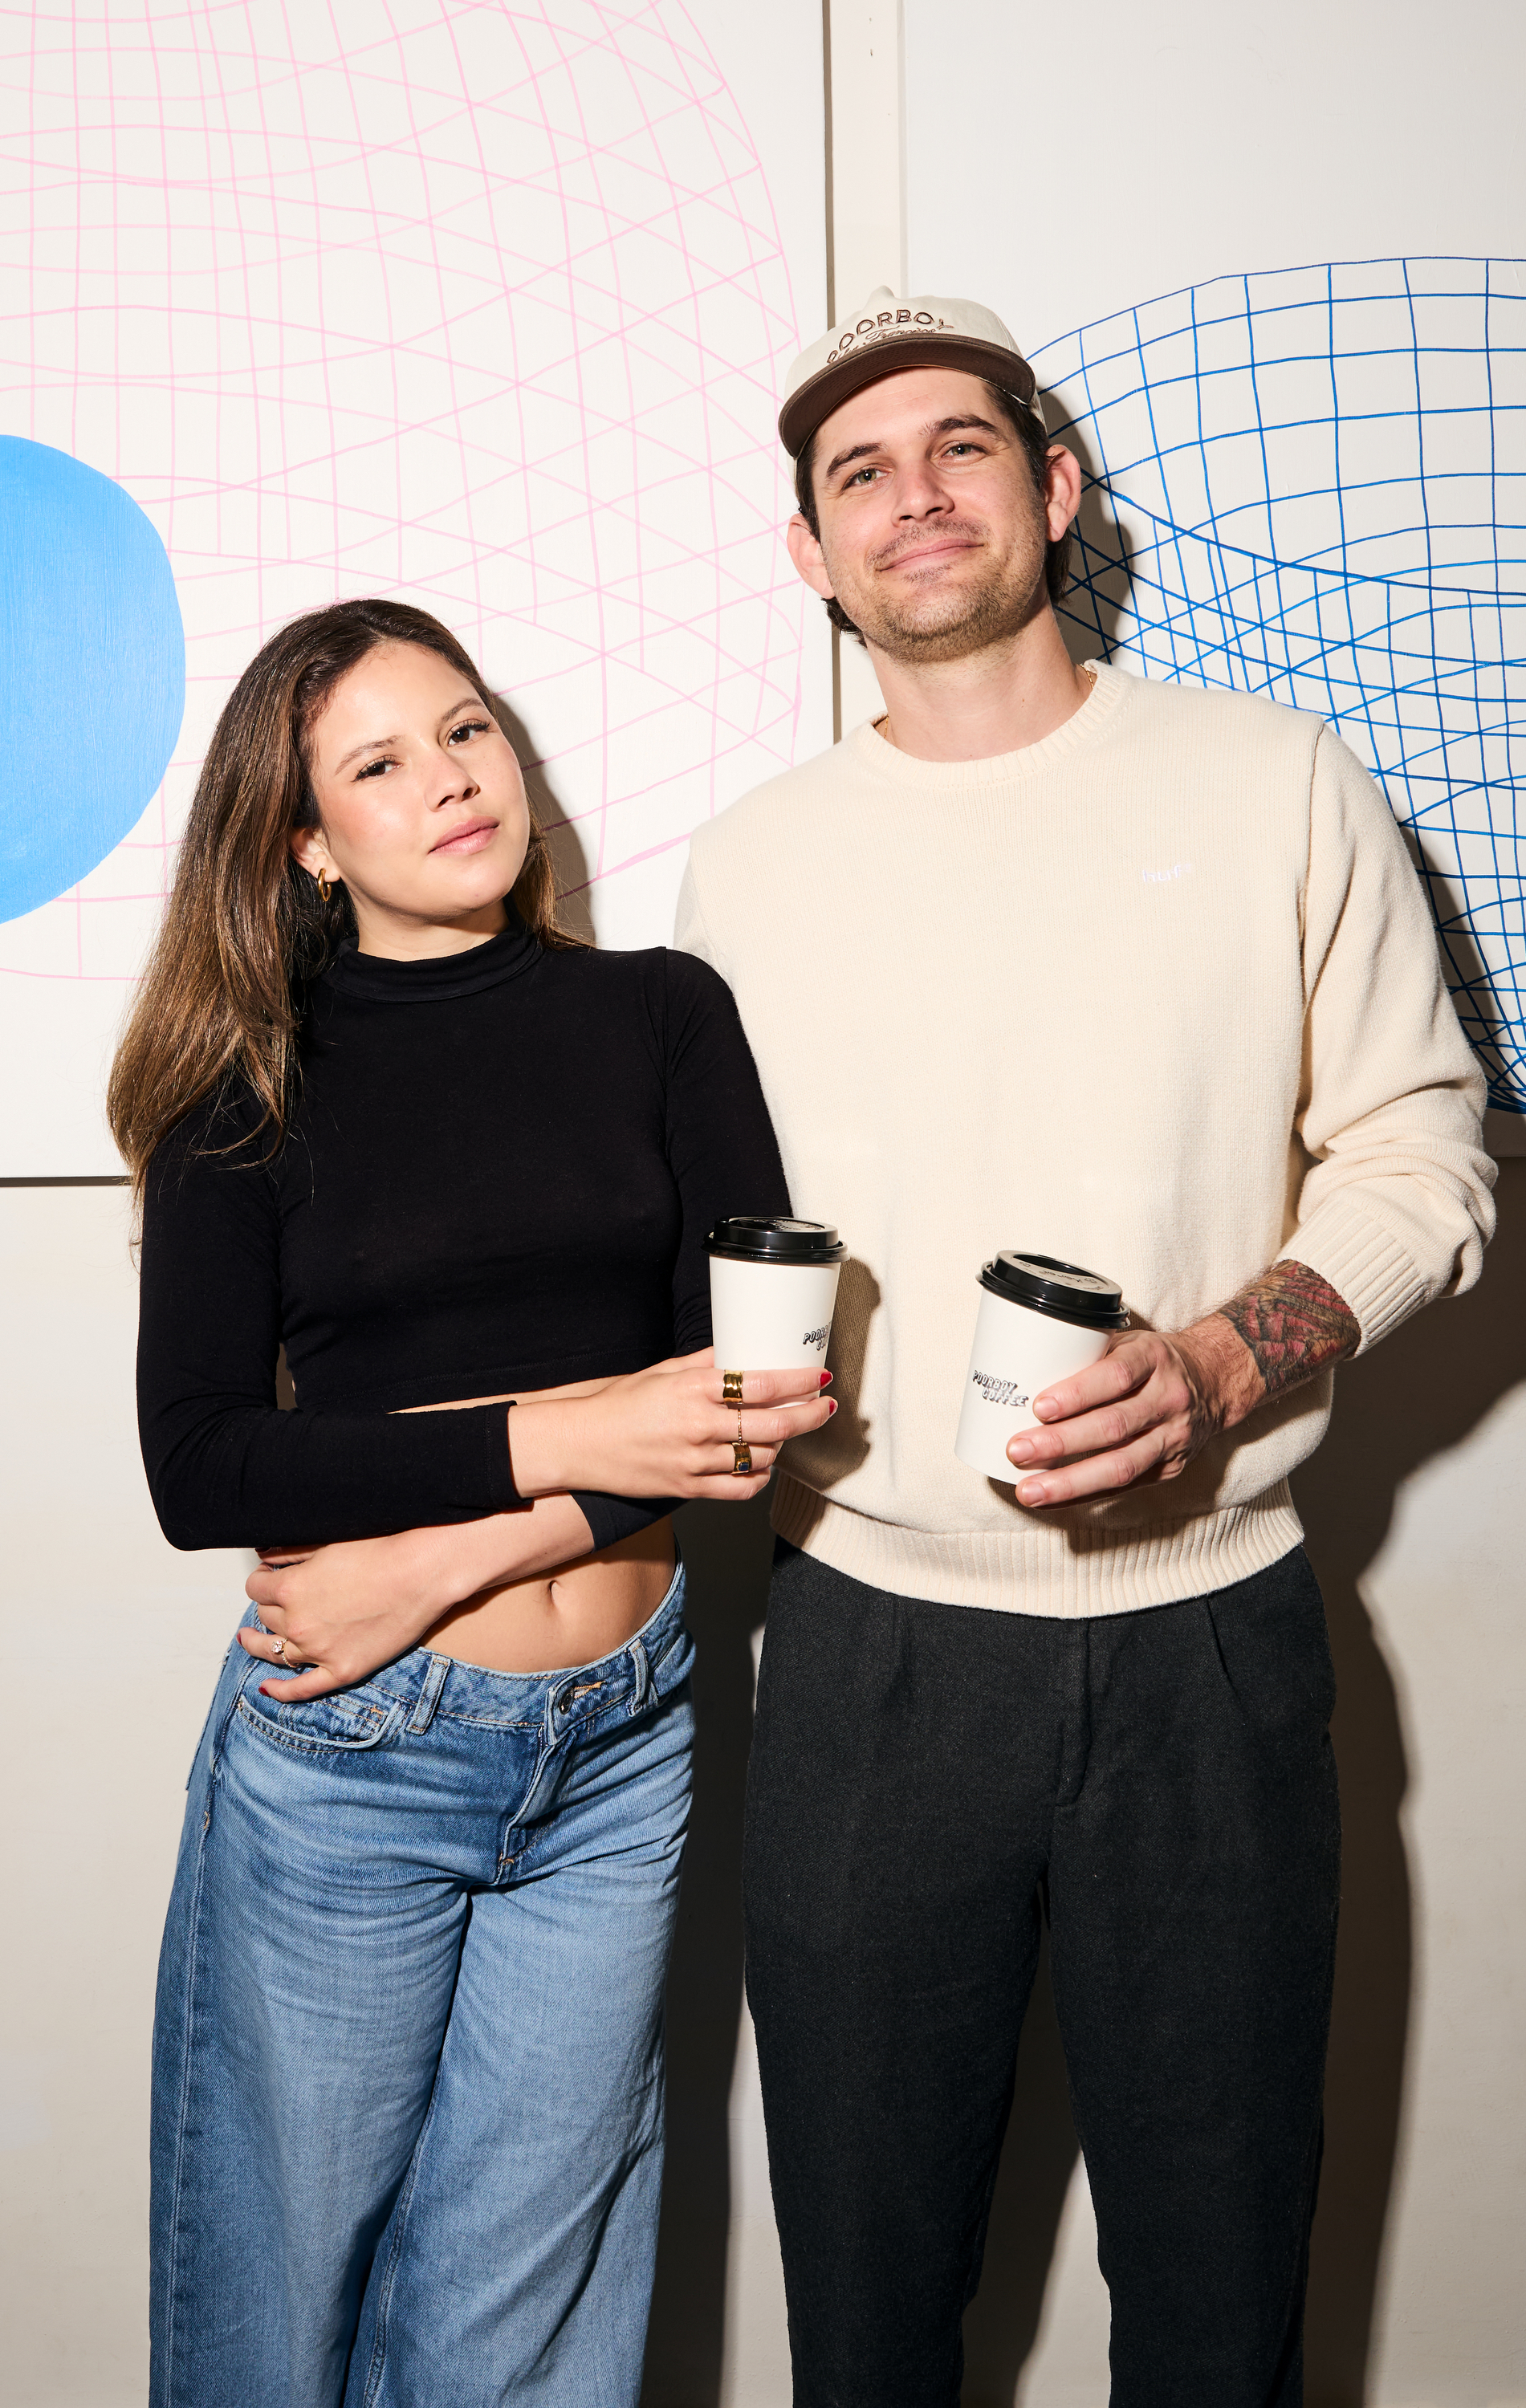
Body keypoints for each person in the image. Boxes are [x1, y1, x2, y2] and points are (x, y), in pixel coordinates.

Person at [674, 291, 1497, 2406]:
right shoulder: (749, 866)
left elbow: (1422, 1153)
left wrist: (1232, 1361)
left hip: (1210, 1651)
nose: (909, 496)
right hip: (865, 1653)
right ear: (810, 556)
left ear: (1049, 492)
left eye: (959, 448)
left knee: (1220, 2316)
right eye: (856, 472)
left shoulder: (1273, 784)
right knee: (866, 2320)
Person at [109, 597, 831, 2408]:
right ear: (302, 841)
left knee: (534, 2317)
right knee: (279, 2306)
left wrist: (444, 1553)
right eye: (378, 764)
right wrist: (572, 1438)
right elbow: (201, 1464)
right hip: (359, 1735)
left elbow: (738, 1407)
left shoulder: (663, 1014)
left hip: (625, 1737)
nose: (449, 781)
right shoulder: (241, 1080)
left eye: (467, 729)